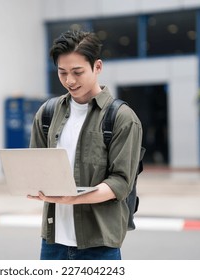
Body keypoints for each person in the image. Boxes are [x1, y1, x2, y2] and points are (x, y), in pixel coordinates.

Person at [27, 30, 143, 260]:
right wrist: (30, 183)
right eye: (62, 72)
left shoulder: (122, 118)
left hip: (99, 245)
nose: (69, 80)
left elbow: (120, 183)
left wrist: (74, 198)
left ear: (97, 67)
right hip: (53, 243)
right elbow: (35, 166)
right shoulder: (47, 113)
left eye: (77, 72)